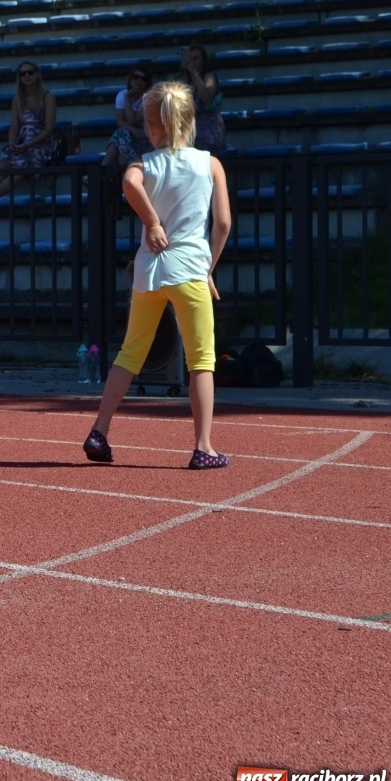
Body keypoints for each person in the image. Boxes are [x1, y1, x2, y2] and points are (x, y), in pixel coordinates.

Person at [82, 82, 232, 470]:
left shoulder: (143, 165)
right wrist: (208, 268)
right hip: (190, 270)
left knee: (130, 353)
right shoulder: (209, 163)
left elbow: (129, 183)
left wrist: (150, 222)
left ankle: (99, 429)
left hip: (150, 270)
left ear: (151, 126)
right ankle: (203, 446)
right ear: (190, 121)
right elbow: (223, 224)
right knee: (201, 360)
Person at [0, 61, 56, 201]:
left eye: (30, 72)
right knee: (5, 160)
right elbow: (14, 127)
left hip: (40, 143)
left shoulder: (48, 97)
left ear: (37, 75)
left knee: (20, 165)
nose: (27, 76)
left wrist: (29, 145)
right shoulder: (17, 99)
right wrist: (12, 142)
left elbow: (48, 129)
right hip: (23, 140)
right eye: (22, 74)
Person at [103, 63, 155, 167]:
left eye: (143, 79)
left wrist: (127, 99)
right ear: (130, 79)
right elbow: (120, 122)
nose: (139, 81)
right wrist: (132, 130)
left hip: (144, 138)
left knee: (120, 138)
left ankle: (102, 171)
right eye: (136, 77)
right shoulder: (121, 95)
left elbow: (132, 120)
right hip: (130, 135)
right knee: (121, 136)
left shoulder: (148, 98)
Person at [180, 45, 226, 153]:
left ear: (203, 60)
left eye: (196, 58)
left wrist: (195, 74)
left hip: (210, 129)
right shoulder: (187, 82)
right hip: (193, 130)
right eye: (190, 58)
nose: (192, 62)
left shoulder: (209, 77)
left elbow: (207, 98)